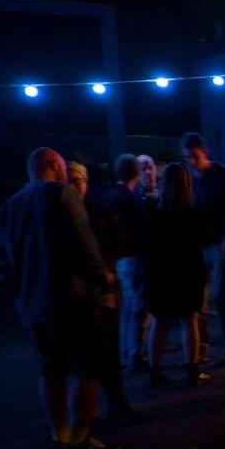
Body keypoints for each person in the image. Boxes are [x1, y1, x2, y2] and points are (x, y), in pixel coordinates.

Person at [0, 147, 121, 449]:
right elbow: (83, 243)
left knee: (50, 368)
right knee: (89, 365)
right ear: (53, 166)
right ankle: (80, 437)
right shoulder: (61, 194)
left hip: (33, 302)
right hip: (70, 297)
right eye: (64, 167)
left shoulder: (10, 206)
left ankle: (60, 436)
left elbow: (6, 258)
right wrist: (103, 276)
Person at [67, 162, 142, 425]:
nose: (77, 185)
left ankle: (115, 402)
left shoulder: (98, 212)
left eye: (80, 180)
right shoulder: (63, 216)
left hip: (103, 290)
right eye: (71, 180)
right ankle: (90, 406)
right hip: (78, 294)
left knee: (109, 348)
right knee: (84, 354)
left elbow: (122, 243)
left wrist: (107, 269)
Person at [142, 163, 209, 388]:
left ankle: (155, 372)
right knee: (189, 319)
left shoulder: (151, 209)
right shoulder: (192, 211)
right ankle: (192, 370)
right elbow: (203, 239)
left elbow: (145, 241)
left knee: (159, 321)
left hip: (160, 272)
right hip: (188, 271)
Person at [181, 132, 225, 366]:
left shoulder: (222, 174)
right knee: (200, 300)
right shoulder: (189, 178)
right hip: (200, 245)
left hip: (220, 244)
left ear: (205, 153)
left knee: (220, 295)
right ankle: (201, 347)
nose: (191, 161)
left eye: (194, 156)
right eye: (187, 157)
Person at [92, 154, 149, 373]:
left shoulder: (106, 195)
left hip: (114, 259)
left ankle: (126, 352)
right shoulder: (132, 201)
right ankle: (134, 355)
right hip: (134, 257)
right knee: (138, 307)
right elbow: (142, 232)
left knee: (126, 306)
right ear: (137, 173)